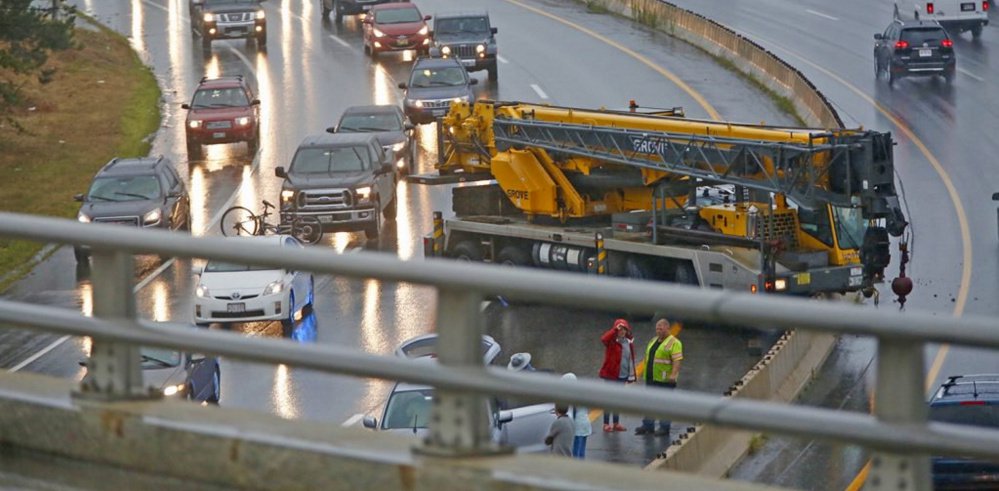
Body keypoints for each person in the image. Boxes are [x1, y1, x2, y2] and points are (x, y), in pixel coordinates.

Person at [635, 318, 683, 437]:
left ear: (667, 328)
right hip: (651, 378)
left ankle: (664, 427)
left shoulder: (674, 343)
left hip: (665, 380)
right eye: (657, 328)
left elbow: (677, 361)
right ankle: (648, 425)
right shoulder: (653, 340)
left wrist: (673, 375)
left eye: (661, 328)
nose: (658, 331)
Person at [598, 318, 637, 432]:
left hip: (623, 375)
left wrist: (631, 375)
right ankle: (606, 424)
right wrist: (614, 329)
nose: (622, 331)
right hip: (611, 375)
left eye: (624, 329)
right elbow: (603, 339)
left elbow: (630, 358)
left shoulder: (628, 342)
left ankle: (616, 423)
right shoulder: (611, 341)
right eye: (620, 329)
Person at [561, 373, 592, 459]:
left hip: (577, 427)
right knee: (581, 450)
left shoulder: (571, 395)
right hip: (586, 424)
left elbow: (573, 413)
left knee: (575, 452)